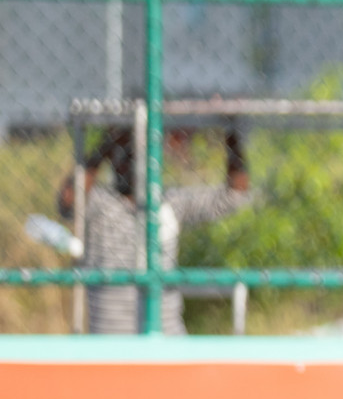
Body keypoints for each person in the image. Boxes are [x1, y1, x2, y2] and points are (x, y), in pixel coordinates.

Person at [58, 126, 251, 334]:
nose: (133, 163)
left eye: (141, 155)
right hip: (112, 340)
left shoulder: (171, 201)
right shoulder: (100, 202)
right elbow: (68, 201)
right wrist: (106, 144)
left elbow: (235, 195)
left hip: (165, 337)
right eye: (125, 154)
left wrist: (231, 131)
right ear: (113, 160)